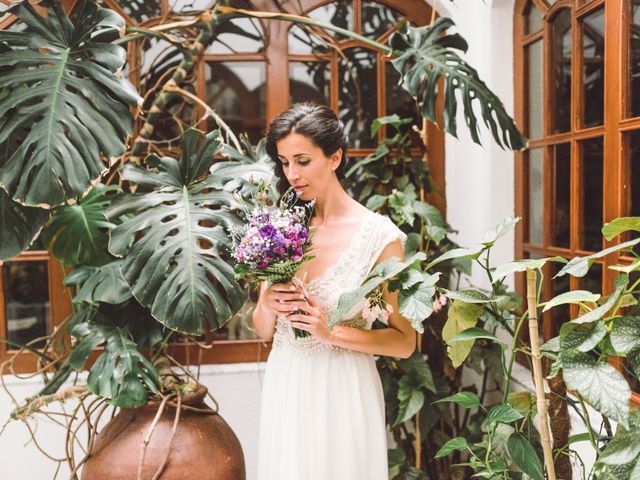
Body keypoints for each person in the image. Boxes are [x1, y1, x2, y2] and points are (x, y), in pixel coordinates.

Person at [253, 102, 416, 480]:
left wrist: (331, 332)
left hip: (343, 390)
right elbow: (263, 330)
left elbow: (404, 341)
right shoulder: (280, 228)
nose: (292, 174)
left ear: (335, 157)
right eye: (284, 162)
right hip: (287, 383)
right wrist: (267, 301)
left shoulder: (380, 238)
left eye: (303, 161)